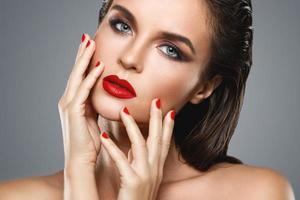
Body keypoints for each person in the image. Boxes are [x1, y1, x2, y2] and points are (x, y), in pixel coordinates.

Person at [0, 0, 295, 199]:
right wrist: (79, 172)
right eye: (122, 26)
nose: (129, 58)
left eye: (170, 50)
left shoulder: (253, 193)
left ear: (204, 87)